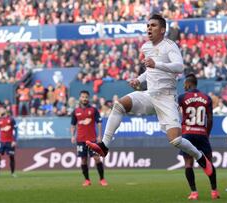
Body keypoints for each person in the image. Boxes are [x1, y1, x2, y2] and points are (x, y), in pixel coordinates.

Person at [86, 14, 213, 177]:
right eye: (148, 26)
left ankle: (200, 157)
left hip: (167, 98)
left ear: (162, 30)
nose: (149, 28)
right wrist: (138, 80)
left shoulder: (170, 46)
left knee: (175, 140)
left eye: (153, 25)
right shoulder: (146, 47)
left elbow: (179, 67)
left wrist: (156, 64)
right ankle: (104, 146)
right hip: (150, 94)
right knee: (119, 105)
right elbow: (150, 71)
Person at [178, 73, 219, 200]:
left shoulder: (182, 97)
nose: (184, 86)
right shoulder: (207, 98)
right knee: (209, 163)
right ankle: (214, 191)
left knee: (188, 164)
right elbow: (210, 119)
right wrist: (207, 134)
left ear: (189, 84)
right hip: (202, 133)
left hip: (188, 133)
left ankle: (194, 192)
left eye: (185, 84)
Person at [70, 90, 107, 187]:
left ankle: (102, 179)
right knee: (83, 160)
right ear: (80, 98)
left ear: (88, 98)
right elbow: (73, 125)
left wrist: (99, 135)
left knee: (97, 158)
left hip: (92, 139)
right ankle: (87, 180)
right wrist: (73, 136)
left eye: (86, 97)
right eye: (83, 97)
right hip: (80, 139)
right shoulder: (75, 111)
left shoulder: (94, 110)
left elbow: (99, 123)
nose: (84, 98)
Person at [0, 105, 17, 177]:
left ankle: (13, 173)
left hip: (10, 141)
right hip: (1, 142)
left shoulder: (11, 119)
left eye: (1, 109)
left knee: (11, 156)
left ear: (5, 110)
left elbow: (16, 130)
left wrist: (14, 140)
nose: (0, 110)